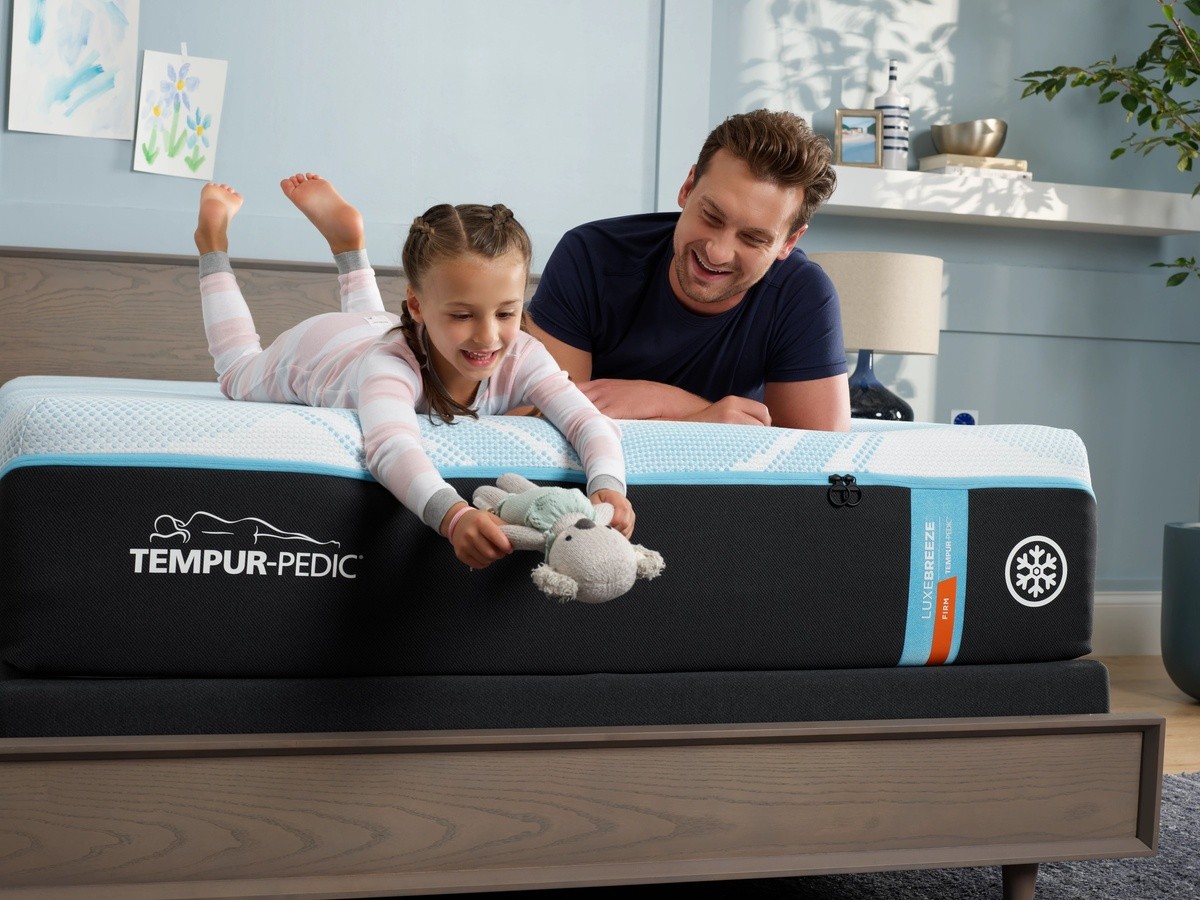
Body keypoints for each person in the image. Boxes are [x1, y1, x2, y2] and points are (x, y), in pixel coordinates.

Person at [193, 173, 634, 571]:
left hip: (384, 328)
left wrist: (609, 486)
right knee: (236, 374)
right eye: (463, 315)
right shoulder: (387, 366)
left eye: (506, 312)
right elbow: (390, 446)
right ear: (418, 305)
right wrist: (453, 515)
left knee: (392, 330)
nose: (488, 336)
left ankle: (350, 247)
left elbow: (587, 420)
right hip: (323, 349)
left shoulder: (522, 352)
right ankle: (212, 241)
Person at [526, 109, 850, 431]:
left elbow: (820, 462)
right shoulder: (590, 257)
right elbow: (545, 422)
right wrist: (709, 419)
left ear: (788, 242)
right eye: (711, 216)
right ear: (687, 187)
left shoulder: (802, 295)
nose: (717, 252)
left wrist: (666, 402)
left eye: (753, 238)